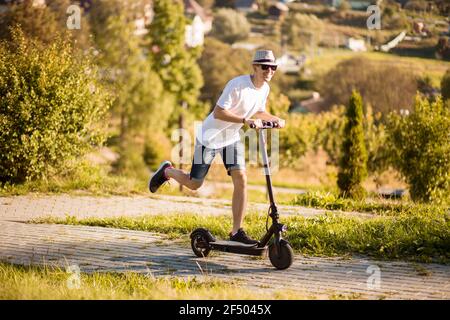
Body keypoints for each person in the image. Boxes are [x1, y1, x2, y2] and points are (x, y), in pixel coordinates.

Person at [149, 50, 285, 245]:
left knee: (241, 179)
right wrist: (245, 120)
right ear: (254, 67)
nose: (269, 71)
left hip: (230, 137)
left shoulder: (264, 89)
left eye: (273, 67)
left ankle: (237, 231)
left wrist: (274, 119)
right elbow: (219, 112)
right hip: (210, 137)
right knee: (195, 184)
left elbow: (259, 111)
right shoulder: (237, 85)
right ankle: (167, 171)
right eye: (265, 67)